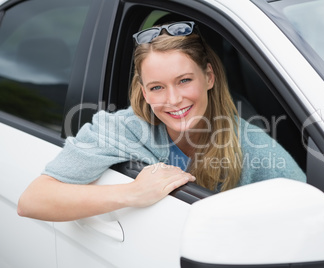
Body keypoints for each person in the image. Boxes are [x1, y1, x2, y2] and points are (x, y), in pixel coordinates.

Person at [18, 21, 305, 222]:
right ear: (144, 91)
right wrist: (132, 193)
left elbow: (304, 211)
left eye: (184, 81)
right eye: (157, 87)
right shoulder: (123, 129)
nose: (173, 99)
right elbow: (32, 200)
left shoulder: (251, 144)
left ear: (209, 76)